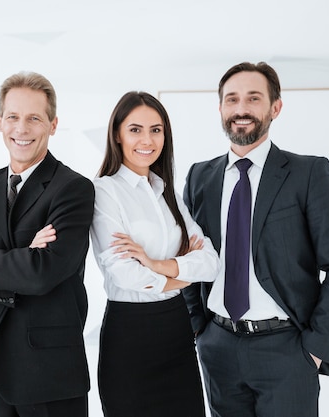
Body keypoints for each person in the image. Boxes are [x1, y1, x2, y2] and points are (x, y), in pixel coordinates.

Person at [182, 61, 329, 417]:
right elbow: (189, 256)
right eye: (232, 99)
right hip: (217, 346)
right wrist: (198, 329)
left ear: (275, 107)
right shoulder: (199, 177)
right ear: (220, 108)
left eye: (253, 98)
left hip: (287, 349)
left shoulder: (308, 173)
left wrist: (315, 347)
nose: (241, 109)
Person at [0, 71, 94, 417]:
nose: (21, 129)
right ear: (0, 122)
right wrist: (23, 259)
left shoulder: (73, 188)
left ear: (53, 125)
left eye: (34, 118)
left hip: (49, 371)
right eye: (13, 117)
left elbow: (44, 273)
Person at [89, 91, 220, 417]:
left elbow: (210, 263)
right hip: (129, 334)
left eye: (156, 129)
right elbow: (125, 274)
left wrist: (154, 264)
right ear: (117, 135)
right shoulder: (104, 191)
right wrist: (181, 277)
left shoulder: (168, 191)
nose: (147, 139)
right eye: (135, 129)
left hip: (177, 329)